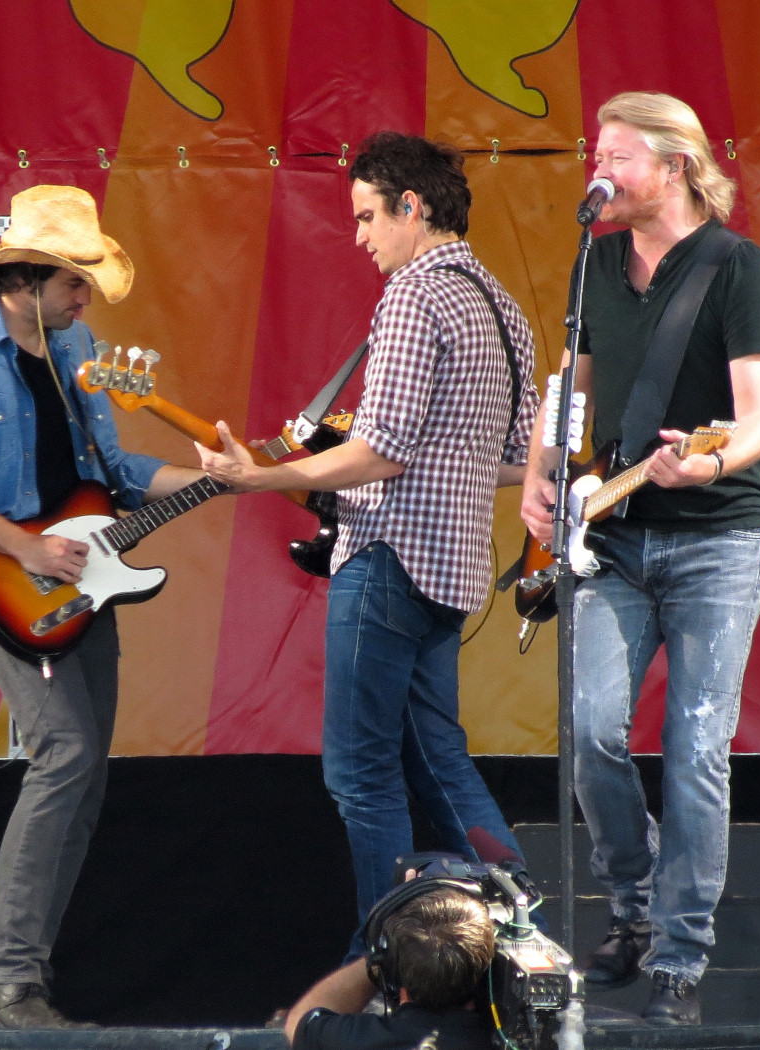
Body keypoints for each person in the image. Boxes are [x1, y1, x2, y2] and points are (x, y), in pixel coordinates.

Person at [197, 131, 541, 957]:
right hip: (449, 571)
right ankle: (520, 919)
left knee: (361, 776)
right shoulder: (503, 307)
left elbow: (381, 448)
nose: (358, 238)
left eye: (364, 217)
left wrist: (258, 478)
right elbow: (517, 459)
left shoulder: (417, 295)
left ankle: (382, 962)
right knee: (439, 765)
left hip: (387, 557)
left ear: (411, 207)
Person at [0, 185, 201, 1028]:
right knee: (65, 753)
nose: (88, 295)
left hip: (81, 584)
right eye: (76, 280)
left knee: (86, 775)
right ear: (26, 280)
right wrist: (24, 547)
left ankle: (27, 984)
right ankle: (7, 986)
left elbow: (118, 471)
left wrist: (219, 474)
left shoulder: (79, 350)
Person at [520, 92, 760, 1025]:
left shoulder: (740, 268)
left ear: (673, 166)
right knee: (592, 734)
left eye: (618, 156)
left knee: (695, 748)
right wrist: (540, 477)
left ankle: (680, 956)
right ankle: (631, 903)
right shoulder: (594, 261)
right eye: (600, 153)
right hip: (615, 538)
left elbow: (758, 422)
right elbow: (576, 387)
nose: (600, 172)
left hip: (717, 540)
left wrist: (706, 460)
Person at [285, 886, 496, 1050]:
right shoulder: (515, 1039)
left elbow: (298, 1023)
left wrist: (378, 961)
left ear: (393, 969)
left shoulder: (351, 1041)